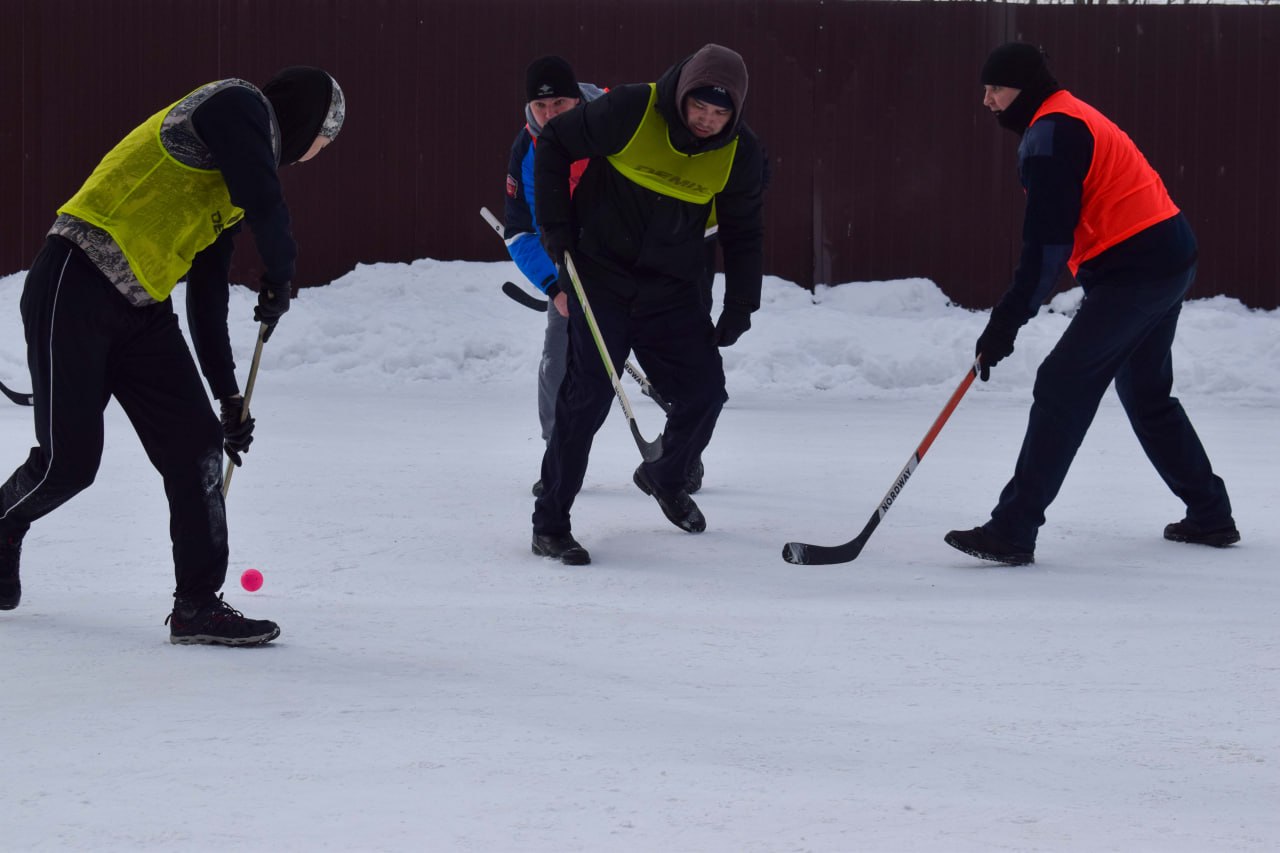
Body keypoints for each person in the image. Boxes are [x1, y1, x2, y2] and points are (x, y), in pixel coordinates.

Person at [0, 67, 345, 643]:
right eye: (326, 140)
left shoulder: (233, 191)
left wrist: (228, 397)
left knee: (199, 451)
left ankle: (197, 607)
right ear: (312, 121)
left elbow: (207, 297)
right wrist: (282, 274)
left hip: (141, 311)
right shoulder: (236, 105)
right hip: (75, 282)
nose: (320, 153)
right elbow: (267, 201)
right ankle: (3, 525)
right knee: (71, 464)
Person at [945, 43, 1237, 566]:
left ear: (1026, 87)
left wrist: (1006, 323)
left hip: (1139, 269)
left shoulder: (1053, 134)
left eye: (997, 89)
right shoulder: (1065, 116)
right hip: (1165, 254)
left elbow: (1045, 249)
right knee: (1146, 393)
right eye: (985, 89)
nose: (987, 101)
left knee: (1062, 382)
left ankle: (1013, 529)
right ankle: (1210, 514)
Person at [530, 43, 765, 565]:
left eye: (719, 113)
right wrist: (557, 234)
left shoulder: (740, 153)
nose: (706, 121)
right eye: (698, 108)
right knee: (586, 399)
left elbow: (745, 233)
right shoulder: (633, 110)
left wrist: (741, 304)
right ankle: (551, 523)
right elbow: (552, 145)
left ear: (736, 112)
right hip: (602, 279)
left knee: (705, 393)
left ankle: (663, 474)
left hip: (673, 292)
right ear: (681, 97)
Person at [501, 56, 603, 497]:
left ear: (577, 99)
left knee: (670, 360)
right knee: (558, 361)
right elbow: (520, 231)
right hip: (571, 271)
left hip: (635, 266)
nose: (548, 115)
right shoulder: (527, 148)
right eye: (540, 106)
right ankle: (556, 456)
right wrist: (554, 287)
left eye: (559, 103)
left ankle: (680, 459)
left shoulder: (615, 125)